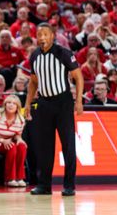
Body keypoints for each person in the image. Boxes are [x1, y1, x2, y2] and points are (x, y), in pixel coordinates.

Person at [25, 23, 83, 196]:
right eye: (39, 34)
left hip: (63, 103)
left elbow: (78, 77)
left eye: (45, 34)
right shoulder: (34, 55)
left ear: (52, 35)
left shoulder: (63, 52)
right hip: (43, 104)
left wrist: (78, 100)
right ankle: (44, 185)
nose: (42, 37)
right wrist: (28, 104)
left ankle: (69, 185)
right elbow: (33, 82)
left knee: (68, 145)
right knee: (44, 147)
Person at [0, 95, 28, 188]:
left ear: (17, 107)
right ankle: (10, 178)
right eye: (9, 103)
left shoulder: (21, 119)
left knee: (22, 146)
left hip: (10, 141)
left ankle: (20, 178)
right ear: (5, 104)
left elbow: (17, 134)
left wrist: (19, 139)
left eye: (14, 103)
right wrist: (3, 140)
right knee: (11, 146)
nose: (11, 105)